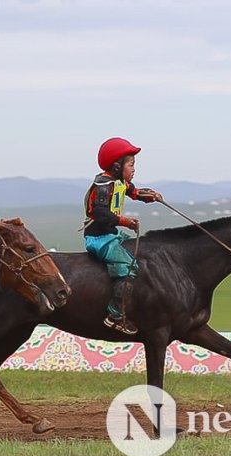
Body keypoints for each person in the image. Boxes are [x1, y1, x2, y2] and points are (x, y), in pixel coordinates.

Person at [83, 137, 163, 334]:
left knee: (141, 249)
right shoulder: (104, 185)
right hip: (99, 238)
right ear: (117, 166)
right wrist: (125, 222)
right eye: (131, 164)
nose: (134, 169)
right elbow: (100, 214)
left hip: (112, 234)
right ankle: (115, 316)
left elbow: (134, 192)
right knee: (127, 266)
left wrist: (150, 196)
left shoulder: (120, 182)